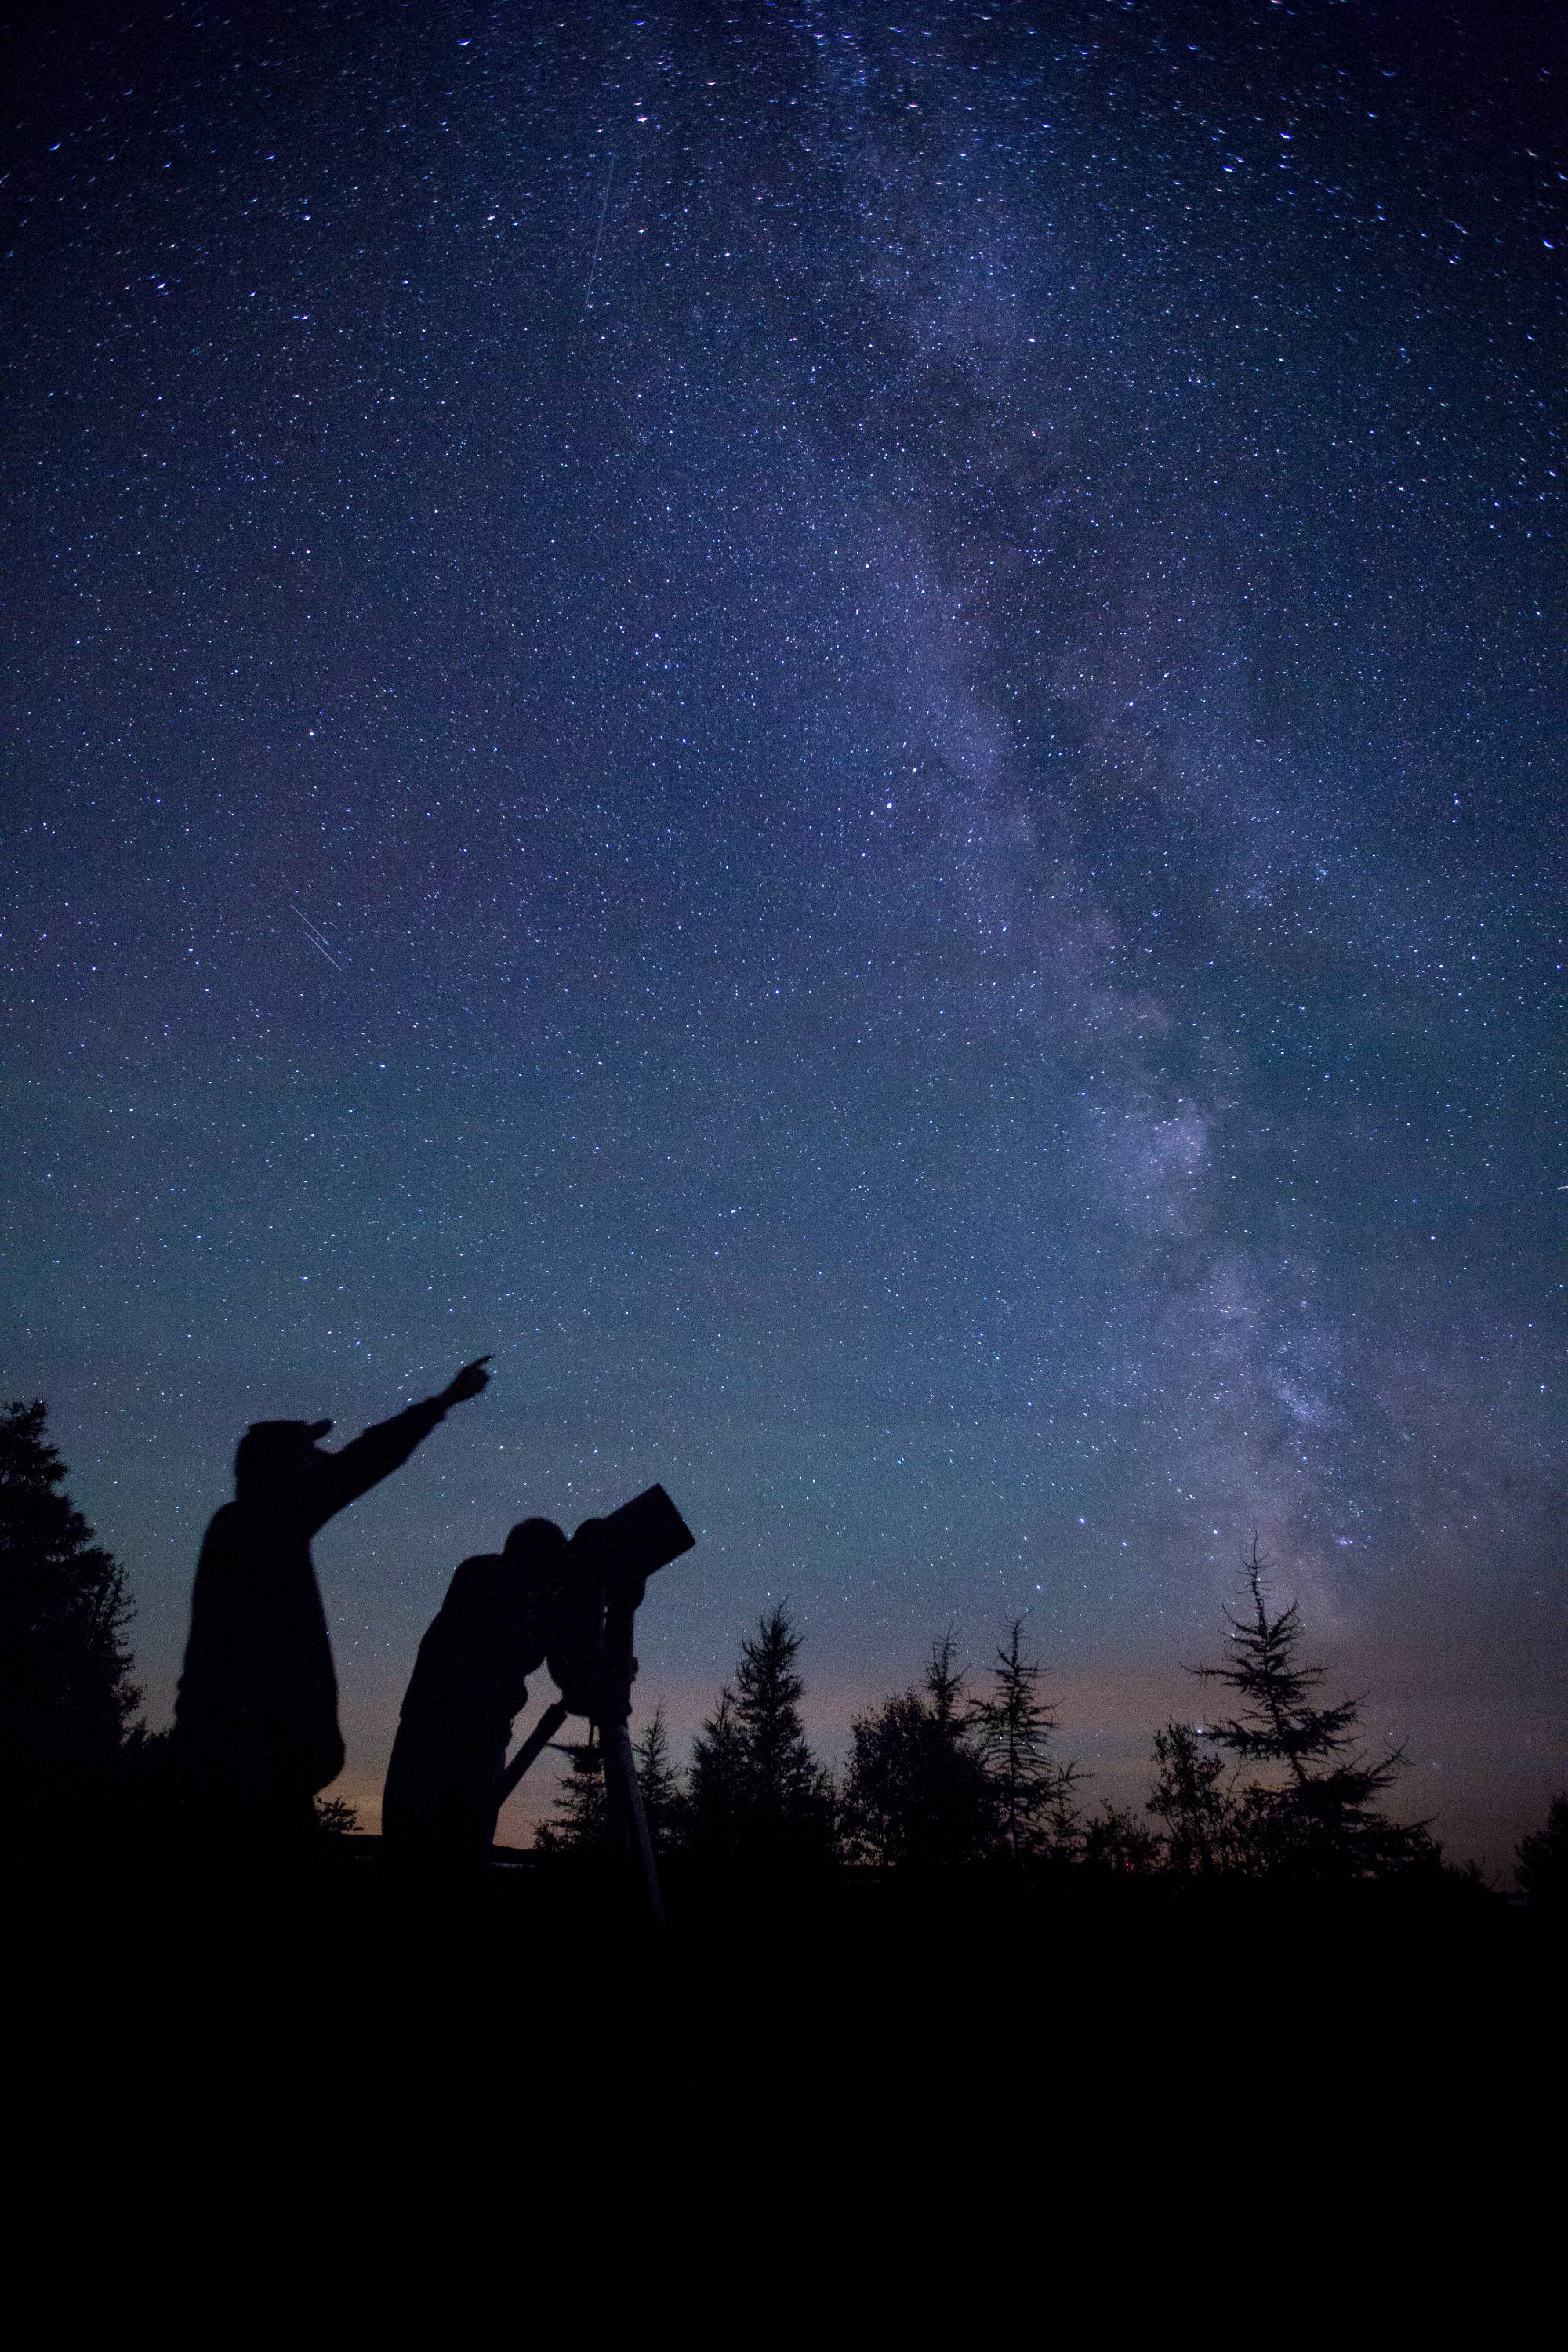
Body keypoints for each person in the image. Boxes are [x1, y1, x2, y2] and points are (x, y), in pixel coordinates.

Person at [171, 1356, 492, 1855]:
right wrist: (444, 1402)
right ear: (281, 1470)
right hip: (250, 1768)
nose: (323, 1455)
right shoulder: (263, 1524)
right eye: (309, 1450)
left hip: (243, 1762)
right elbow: (365, 1460)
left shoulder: (247, 1529)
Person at [381, 1517, 590, 1868]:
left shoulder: (496, 1581)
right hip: (447, 1730)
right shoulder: (484, 1578)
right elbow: (517, 1643)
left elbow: (563, 1665)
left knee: (447, 1850)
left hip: (460, 1728)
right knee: (435, 1849)